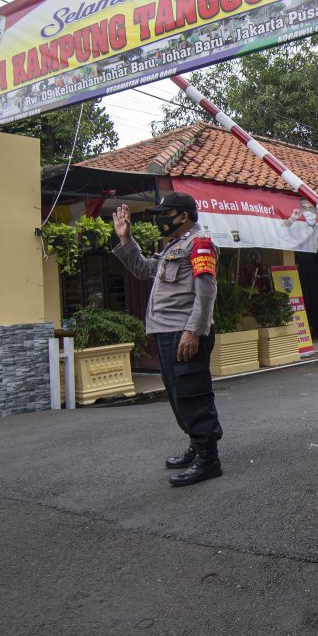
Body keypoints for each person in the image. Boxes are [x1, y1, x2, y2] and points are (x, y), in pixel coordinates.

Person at [112, 193, 224, 487]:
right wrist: (126, 240)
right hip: (166, 331)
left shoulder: (199, 244)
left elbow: (206, 292)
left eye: (166, 213)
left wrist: (194, 331)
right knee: (178, 395)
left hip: (184, 332)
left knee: (193, 395)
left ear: (183, 216)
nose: (160, 219)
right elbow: (143, 270)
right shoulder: (174, 245)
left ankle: (208, 458)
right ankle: (196, 445)